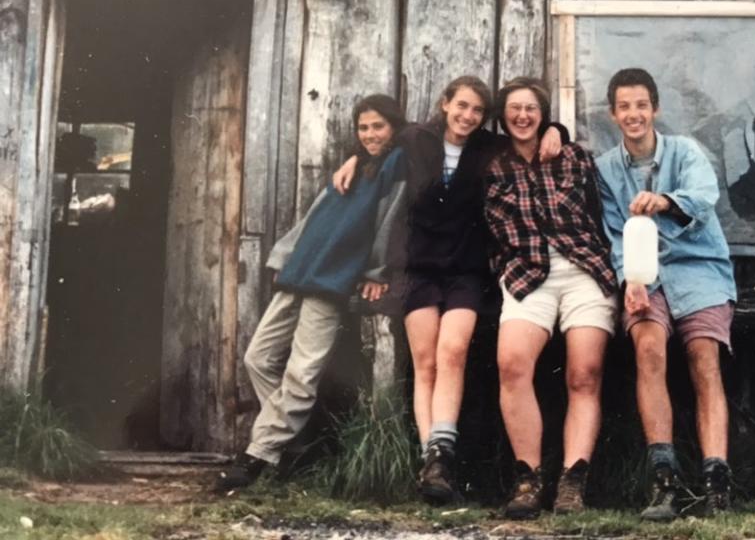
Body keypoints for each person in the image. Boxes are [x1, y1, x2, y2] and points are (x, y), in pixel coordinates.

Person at [333, 76, 565, 504]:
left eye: (477, 110)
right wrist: (351, 158)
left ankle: (442, 450)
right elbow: (375, 143)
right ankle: (433, 463)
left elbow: (532, 137)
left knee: (452, 351)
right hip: (419, 269)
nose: (467, 116)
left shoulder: (488, 148)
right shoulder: (415, 139)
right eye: (461, 106)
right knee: (425, 361)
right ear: (445, 105)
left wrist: (557, 130)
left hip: (466, 269)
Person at [215, 94, 408, 491]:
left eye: (379, 127)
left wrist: (374, 272)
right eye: (364, 127)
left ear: (394, 127)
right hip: (301, 270)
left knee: (302, 372)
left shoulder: (396, 166)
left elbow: (388, 224)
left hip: (333, 279)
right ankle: (298, 443)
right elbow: (316, 215)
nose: (370, 135)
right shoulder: (352, 168)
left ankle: (258, 454)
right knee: (258, 357)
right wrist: (284, 256)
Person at [595, 68, 737, 520]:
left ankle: (717, 484)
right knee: (649, 349)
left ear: (654, 108)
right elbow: (615, 233)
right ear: (613, 113)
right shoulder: (604, 170)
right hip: (643, 275)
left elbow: (704, 194)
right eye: (624, 107)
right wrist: (630, 280)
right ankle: (665, 483)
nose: (633, 114)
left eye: (641, 105)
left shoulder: (686, 151)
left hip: (699, 268)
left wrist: (665, 201)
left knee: (703, 357)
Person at [484, 77, 618, 518]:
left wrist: (558, 132)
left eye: (532, 109)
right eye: (514, 109)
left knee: (584, 373)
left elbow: (602, 216)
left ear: (543, 115)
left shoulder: (574, 156)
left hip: (582, 270)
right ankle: (528, 479)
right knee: (512, 364)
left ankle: (572, 482)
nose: (523, 116)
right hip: (526, 275)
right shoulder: (492, 165)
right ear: (503, 116)